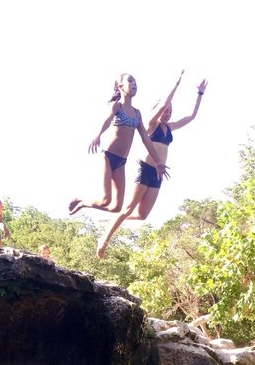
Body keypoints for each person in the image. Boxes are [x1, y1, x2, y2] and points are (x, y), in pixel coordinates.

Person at [96, 71, 207, 259]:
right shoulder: (150, 124)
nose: (167, 113)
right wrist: (176, 85)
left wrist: (199, 95)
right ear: (158, 111)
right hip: (145, 168)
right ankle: (104, 241)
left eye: (170, 112)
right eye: (165, 110)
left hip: (158, 174)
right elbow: (163, 103)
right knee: (129, 208)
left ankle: (112, 218)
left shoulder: (170, 128)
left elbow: (192, 117)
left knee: (142, 215)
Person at [69, 73, 167, 216]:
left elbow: (146, 139)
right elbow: (107, 120)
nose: (134, 84)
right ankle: (81, 200)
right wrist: (98, 135)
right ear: (120, 86)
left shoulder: (137, 114)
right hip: (107, 157)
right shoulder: (117, 106)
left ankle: (83, 203)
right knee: (105, 200)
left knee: (116, 207)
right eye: (130, 80)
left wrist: (158, 162)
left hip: (121, 162)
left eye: (135, 81)